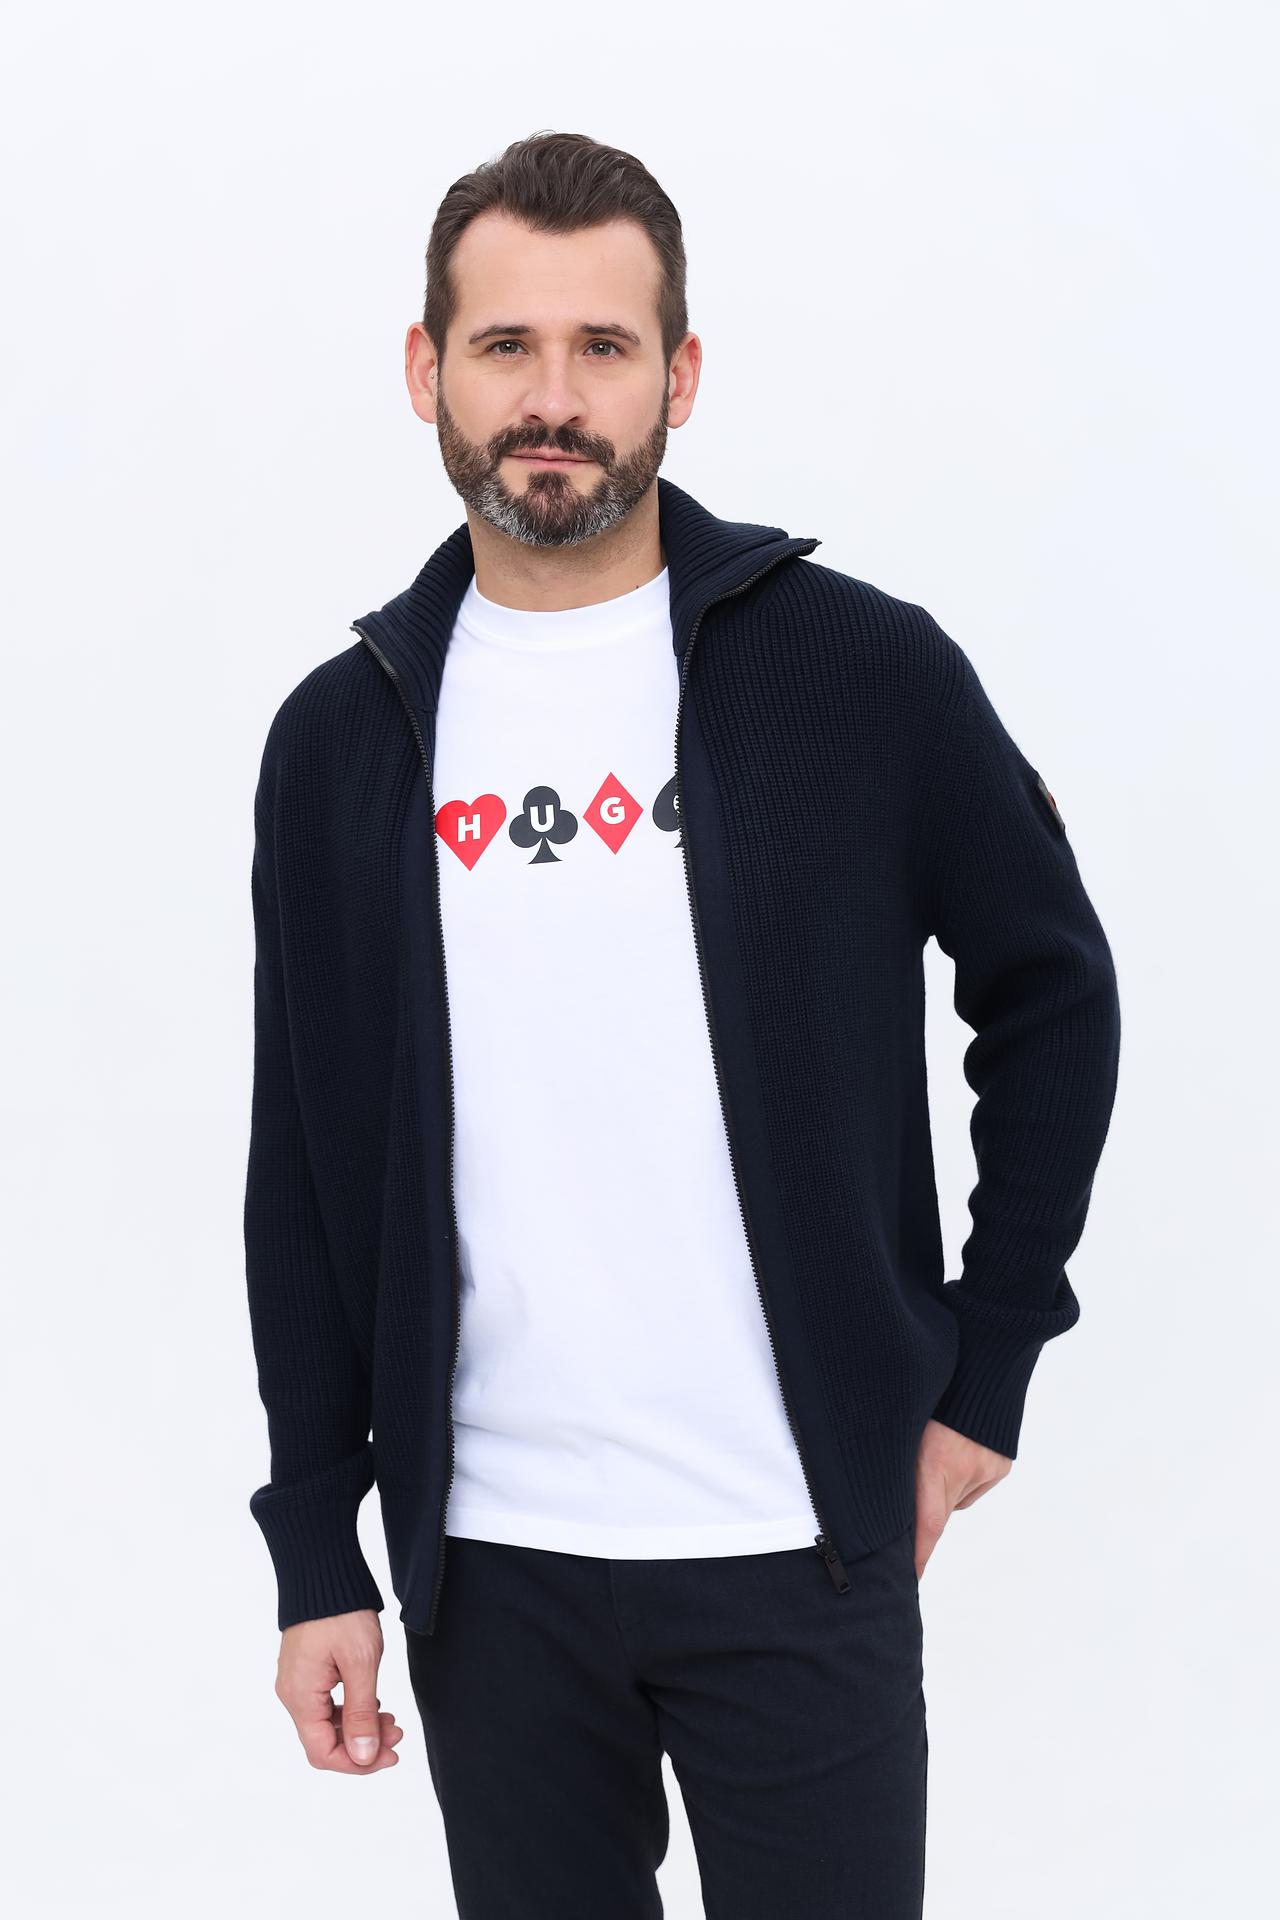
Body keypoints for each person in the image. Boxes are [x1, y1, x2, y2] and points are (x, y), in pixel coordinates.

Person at [243, 130, 1121, 1917]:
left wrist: (991, 1362)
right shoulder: (341, 738)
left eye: (604, 347)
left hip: (799, 1543)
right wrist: (316, 1544)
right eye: (505, 345)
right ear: (425, 369)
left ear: (681, 376)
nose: (552, 400)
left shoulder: (859, 671)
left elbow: (1054, 991)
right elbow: (304, 1167)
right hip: (489, 1566)